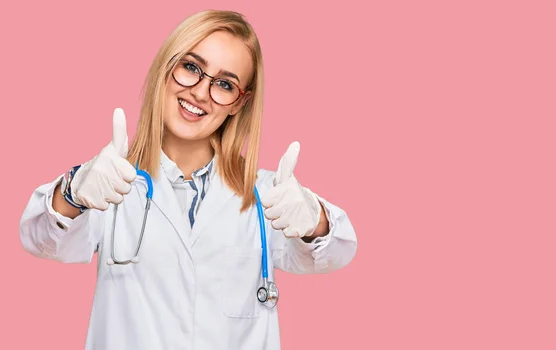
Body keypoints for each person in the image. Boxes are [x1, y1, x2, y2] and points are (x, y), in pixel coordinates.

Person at [19, 9, 357, 350]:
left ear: (240, 103)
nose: (200, 92)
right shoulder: (112, 184)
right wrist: (74, 192)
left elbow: (336, 253)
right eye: (191, 67)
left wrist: (316, 220)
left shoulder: (267, 198)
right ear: (168, 65)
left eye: (224, 84)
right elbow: (39, 238)